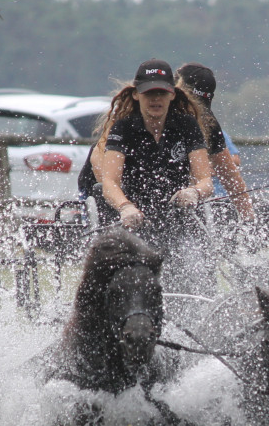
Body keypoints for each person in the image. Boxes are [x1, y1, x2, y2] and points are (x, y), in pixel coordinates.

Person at [77, 58, 215, 301]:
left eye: (161, 92)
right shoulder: (123, 128)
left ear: (172, 94)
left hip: (176, 219)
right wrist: (125, 207)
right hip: (131, 222)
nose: (155, 99)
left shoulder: (187, 125)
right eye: (149, 93)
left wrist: (193, 192)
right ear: (137, 95)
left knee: (190, 263)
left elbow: (205, 181)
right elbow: (109, 182)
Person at [175, 62, 255, 222]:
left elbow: (230, 176)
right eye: (190, 104)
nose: (194, 112)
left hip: (186, 199)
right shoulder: (154, 110)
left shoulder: (208, 123)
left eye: (198, 107)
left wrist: (249, 218)